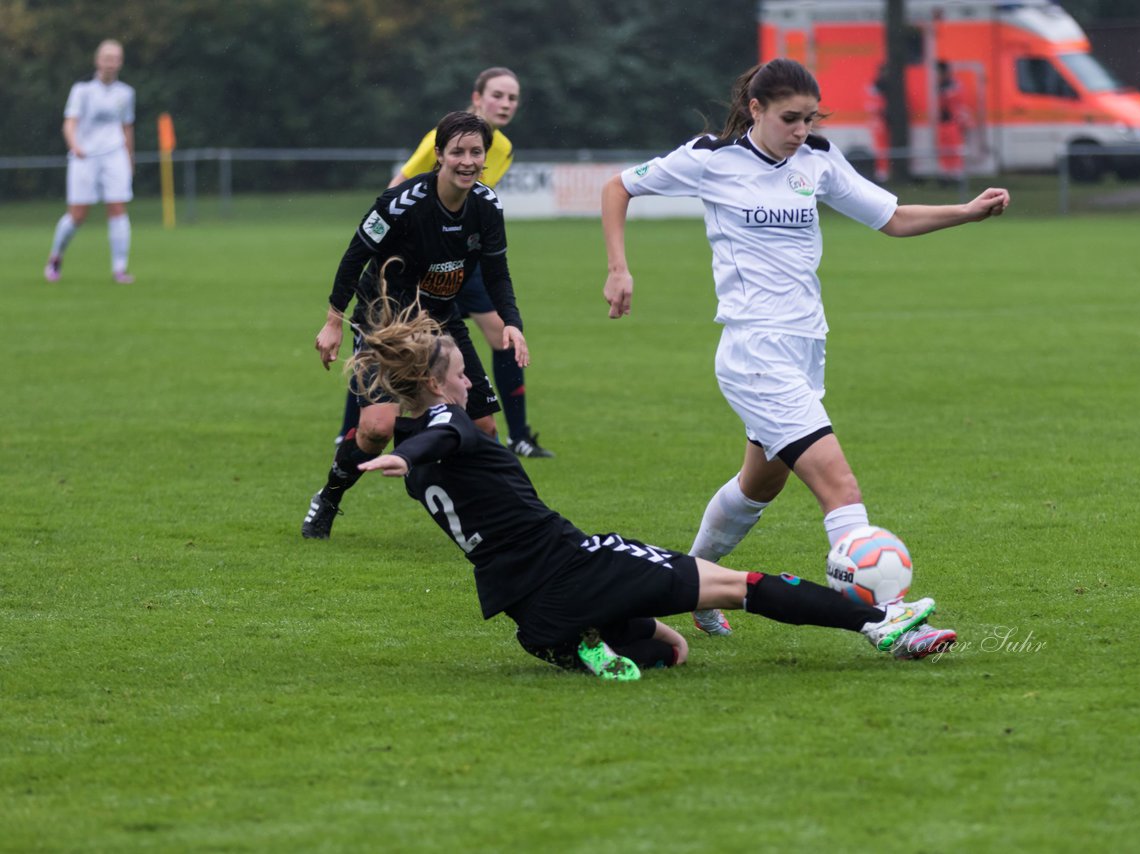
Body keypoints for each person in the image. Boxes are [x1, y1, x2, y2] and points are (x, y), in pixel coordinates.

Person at [601, 58, 1008, 638]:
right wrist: (619, 268)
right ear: (756, 110)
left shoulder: (816, 159)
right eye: (790, 119)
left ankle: (692, 584)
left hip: (805, 348)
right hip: (754, 351)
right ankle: (885, 622)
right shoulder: (712, 159)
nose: (800, 129)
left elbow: (890, 217)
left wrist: (965, 212)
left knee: (759, 485)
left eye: (809, 118)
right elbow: (618, 186)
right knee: (840, 488)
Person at [351, 296, 958, 680]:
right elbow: (441, 434)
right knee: (737, 587)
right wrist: (406, 456)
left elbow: (430, 441)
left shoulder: (423, 444)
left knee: (672, 650)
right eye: (461, 374)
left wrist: (403, 456)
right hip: (576, 566)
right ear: (437, 382)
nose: (468, 384)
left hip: (528, 611)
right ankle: (884, 624)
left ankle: (585, 642)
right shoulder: (438, 428)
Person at [303, 111, 528, 540]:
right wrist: (334, 322)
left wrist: (511, 323)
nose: (467, 161)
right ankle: (329, 496)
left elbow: (498, 273)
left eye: (475, 152)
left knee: (483, 427)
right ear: (439, 155)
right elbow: (354, 256)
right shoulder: (400, 203)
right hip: (383, 319)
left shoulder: (486, 206)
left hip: (440, 319)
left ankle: (499, 519)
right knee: (375, 430)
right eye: (457, 152)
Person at [336, 67, 553, 459]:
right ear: (477, 97)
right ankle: (356, 429)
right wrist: (397, 239)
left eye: (513, 98)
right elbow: (399, 185)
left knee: (499, 333)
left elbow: (479, 206)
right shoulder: (439, 138)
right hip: (416, 262)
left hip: (458, 257)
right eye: (498, 95)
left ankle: (514, 433)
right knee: (386, 354)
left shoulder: (502, 149)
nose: (505, 104)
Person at [43, 39, 136, 285]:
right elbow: (70, 122)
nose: (111, 64)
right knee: (77, 215)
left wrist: (129, 158)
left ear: (121, 62)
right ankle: (55, 257)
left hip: (114, 155)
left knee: (117, 208)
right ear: (98, 61)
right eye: (107, 58)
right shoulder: (82, 90)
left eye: (115, 59)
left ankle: (120, 268)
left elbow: (127, 128)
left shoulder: (126, 93)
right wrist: (75, 145)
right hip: (85, 157)